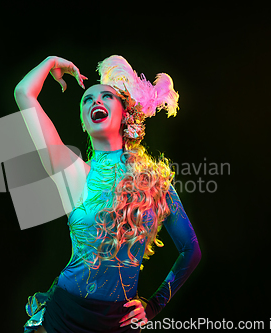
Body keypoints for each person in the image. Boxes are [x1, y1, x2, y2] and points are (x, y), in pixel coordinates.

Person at [15, 55, 201, 332]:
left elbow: (191, 250)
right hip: (63, 316)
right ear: (83, 122)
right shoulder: (72, 171)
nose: (95, 101)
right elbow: (23, 93)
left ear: (126, 113)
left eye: (106, 96)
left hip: (119, 323)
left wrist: (154, 305)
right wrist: (51, 62)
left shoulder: (156, 183)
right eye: (87, 100)